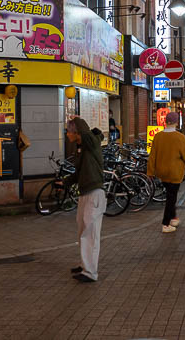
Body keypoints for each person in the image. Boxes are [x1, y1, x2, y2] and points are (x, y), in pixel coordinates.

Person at [60, 117, 106, 283]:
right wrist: (65, 182)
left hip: (95, 193)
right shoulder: (80, 148)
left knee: (90, 233)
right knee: (82, 230)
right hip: (85, 193)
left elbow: (86, 134)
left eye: (68, 131)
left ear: (76, 132)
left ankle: (90, 272)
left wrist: (77, 121)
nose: (66, 134)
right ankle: (84, 264)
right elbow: (79, 172)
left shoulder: (91, 143)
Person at [147, 112, 185, 233]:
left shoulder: (158, 136)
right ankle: (166, 224)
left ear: (166, 122)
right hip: (175, 171)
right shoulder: (180, 137)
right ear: (176, 122)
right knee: (171, 198)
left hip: (161, 172)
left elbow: (152, 156)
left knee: (170, 195)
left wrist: (150, 171)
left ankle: (173, 218)